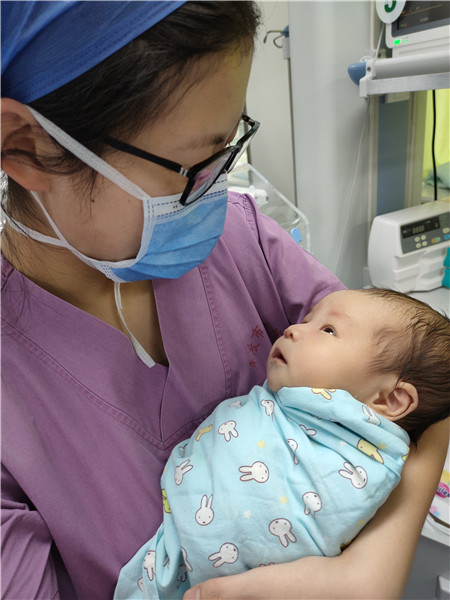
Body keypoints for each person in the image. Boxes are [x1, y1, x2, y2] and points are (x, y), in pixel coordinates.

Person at [0, 2, 448, 600]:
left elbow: (414, 369)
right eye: (190, 165)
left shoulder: (240, 240)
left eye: (228, 146)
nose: (217, 188)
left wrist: (371, 572)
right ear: (27, 147)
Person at [113, 287, 450, 599]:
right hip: (172, 550)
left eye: (328, 330)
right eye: (308, 319)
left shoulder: (357, 453)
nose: (293, 329)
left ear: (391, 400)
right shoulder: (300, 397)